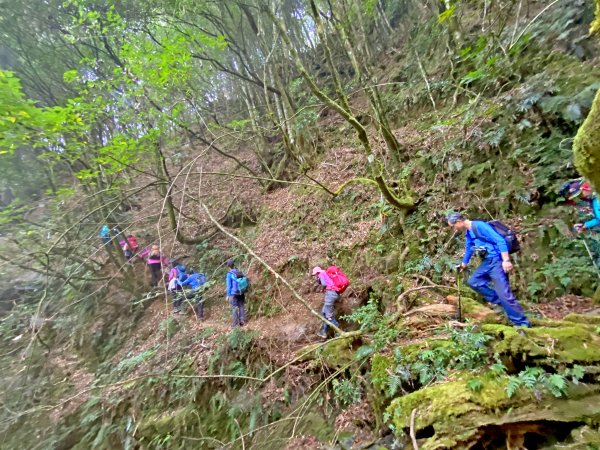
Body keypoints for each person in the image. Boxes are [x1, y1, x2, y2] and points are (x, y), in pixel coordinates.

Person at [447, 212, 531, 328]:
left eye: (453, 226)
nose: (454, 229)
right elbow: (469, 248)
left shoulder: (480, 226)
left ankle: (522, 324)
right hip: (487, 262)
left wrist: (506, 260)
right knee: (474, 282)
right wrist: (464, 264)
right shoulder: (468, 233)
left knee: (504, 294)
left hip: (497, 261)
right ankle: (502, 303)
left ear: (459, 222)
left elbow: (500, 240)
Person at [312, 266, 341, 338]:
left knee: (329, 315)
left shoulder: (321, 274)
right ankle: (323, 332)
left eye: (315, 274)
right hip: (334, 293)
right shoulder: (325, 273)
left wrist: (319, 281)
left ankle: (338, 331)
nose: (315, 276)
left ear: (317, 272)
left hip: (331, 294)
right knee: (324, 312)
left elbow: (324, 284)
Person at [226, 260, 246, 327]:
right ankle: (242, 321)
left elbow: (229, 286)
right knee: (241, 306)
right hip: (241, 292)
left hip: (233, 293)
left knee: (234, 307)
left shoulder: (229, 274)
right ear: (234, 265)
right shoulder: (239, 271)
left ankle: (235, 324)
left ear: (228, 266)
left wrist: (228, 295)